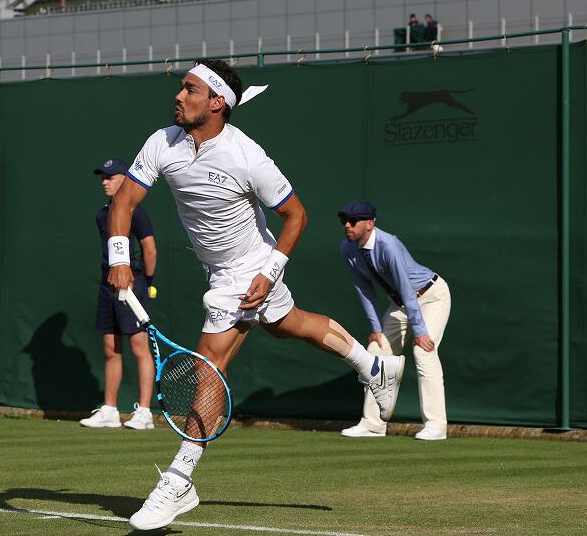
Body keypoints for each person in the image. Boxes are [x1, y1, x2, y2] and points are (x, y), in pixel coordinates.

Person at [107, 59, 404, 530]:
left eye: (190, 89)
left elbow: (297, 217)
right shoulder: (161, 142)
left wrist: (269, 272)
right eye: (181, 88)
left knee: (209, 365)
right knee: (290, 326)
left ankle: (181, 479)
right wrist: (119, 257)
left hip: (250, 271)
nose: (178, 97)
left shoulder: (248, 156)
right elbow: (124, 201)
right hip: (218, 270)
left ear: (218, 102)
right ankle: (373, 366)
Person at [337, 201, 451, 441]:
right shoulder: (348, 249)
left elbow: (407, 289)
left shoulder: (388, 245)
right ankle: (373, 425)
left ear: (369, 224)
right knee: (375, 351)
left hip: (431, 296)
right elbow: (363, 289)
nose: (347, 225)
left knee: (423, 352)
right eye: (344, 221)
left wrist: (419, 331)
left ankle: (436, 426)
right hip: (399, 305)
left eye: (353, 221)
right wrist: (375, 328)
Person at [80, 158, 159, 430]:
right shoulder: (102, 214)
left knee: (139, 347)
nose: (104, 181)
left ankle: (145, 413)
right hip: (107, 283)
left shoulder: (137, 213)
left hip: (132, 283)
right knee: (111, 348)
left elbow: (150, 250)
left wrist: (147, 282)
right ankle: (110, 410)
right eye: (102, 177)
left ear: (125, 179)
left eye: (110, 176)